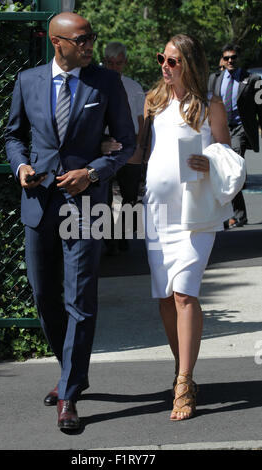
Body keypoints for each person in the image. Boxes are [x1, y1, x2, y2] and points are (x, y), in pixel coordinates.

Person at [5, 12, 136, 431]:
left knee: (80, 299)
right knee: (45, 294)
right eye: (81, 40)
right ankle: (71, 373)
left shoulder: (107, 83)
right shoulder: (28, 81)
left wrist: (93, 172)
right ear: (56, 42)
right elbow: (12, 136)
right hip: (38, 203)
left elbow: (126, 143)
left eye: (91, 38)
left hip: (87, 205)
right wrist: (21, 166)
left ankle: (69, 393)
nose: (89, 46)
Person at [143, 34, 233, 421]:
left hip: (194, 216)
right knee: (165, 297)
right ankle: (185, 372)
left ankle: (183, 381)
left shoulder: (210, 105)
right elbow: (137, 152)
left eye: (174, 61)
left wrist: (208, 161)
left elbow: (228, 154)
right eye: (162, 58)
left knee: (184, 294)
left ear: (190, 65)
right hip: (156, 215)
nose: (165, 65)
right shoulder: (154, 101)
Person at [208, 43, 262, 228]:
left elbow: (260, 108)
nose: (230, 61)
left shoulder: (253, 80)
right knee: (220, 172)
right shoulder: (214, 79)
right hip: (219, 128)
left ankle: (235, 215)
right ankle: (230, 215)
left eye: (234, 57)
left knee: (232, 169)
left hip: (240, 129)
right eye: (227, 58)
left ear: (239, 59)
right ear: (222, 60)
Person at [102, 41, 145, 253]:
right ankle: (110, 237)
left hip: (130, 142)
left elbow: (142, 119)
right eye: (109, 63)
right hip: (106, 143)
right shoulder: (95, 84)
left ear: (125, 63)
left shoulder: (134, 87)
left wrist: (140, 146)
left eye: (118, 63)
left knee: (129, 194)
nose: (114, 67)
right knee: (105, 195)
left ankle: (124, 234)